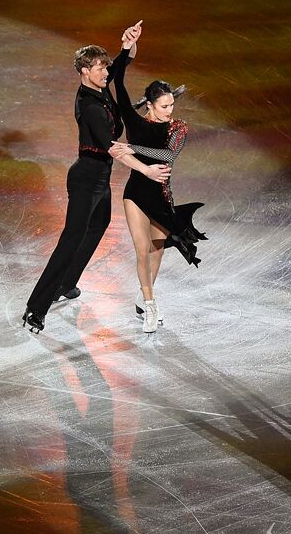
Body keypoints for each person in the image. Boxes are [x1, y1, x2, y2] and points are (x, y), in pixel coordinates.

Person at [20, 23, 170, 334]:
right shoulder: (89, 106)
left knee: (98, 226)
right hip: (86, 179)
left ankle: (66, 284)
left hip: (100, 180)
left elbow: (122, 64)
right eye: (101, 68)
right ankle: (35, 308)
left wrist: (129, 44)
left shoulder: (99, 87)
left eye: (105, 68)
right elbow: (115, 148)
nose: (107, 73)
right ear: (86, 71)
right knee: (70, 240)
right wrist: (145, 169)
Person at [108, 31, 207, 333]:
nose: (169, 112)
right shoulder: (135, 121)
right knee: (141, 250)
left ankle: (143, 296)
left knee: (157, 250)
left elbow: (168, 155)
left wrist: (133, 148)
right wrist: (126, 49)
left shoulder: (179, 128)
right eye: (164, 107)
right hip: (136, 192)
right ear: (150, 105)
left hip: (162, 194)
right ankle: (150, 306)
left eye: (171, 106)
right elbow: (118, 82)